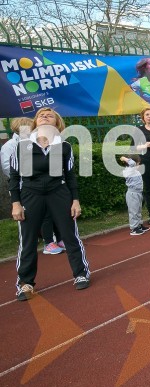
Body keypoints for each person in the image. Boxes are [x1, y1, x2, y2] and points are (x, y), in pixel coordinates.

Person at [9, 107, 91, 300]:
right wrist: (15, 203)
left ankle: (80, 274)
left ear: (57, 123)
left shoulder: (64, 147)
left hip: (59, 194)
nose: (45, 117)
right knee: (27, 241)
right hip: (30, 195)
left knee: (70, 236)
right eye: (41, 115)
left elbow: (70, 176)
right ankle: (25, 283)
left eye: (50, 115)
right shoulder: (22, 146)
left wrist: (75, 200)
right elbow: (14, 178)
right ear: (35, 122)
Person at [1, 117, 63, 254]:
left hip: (35, 186)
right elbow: (8, 168)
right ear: (20, 128)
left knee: (47, 213)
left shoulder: (33, 143)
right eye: (30, 128)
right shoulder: (10, 145)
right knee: (24, 217)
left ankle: (50, 240)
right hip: (21, 186)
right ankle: (29, 245)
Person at [120, 155, 150, 236]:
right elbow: (132, 163)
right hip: (132, 194)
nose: (138, 165)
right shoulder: (128, 170)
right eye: (138, 163)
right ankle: (134, 228)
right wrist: (124, 158)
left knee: (138, 210)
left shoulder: (134, 171)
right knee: (133, 211)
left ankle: (139, 225)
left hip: (138, 193)